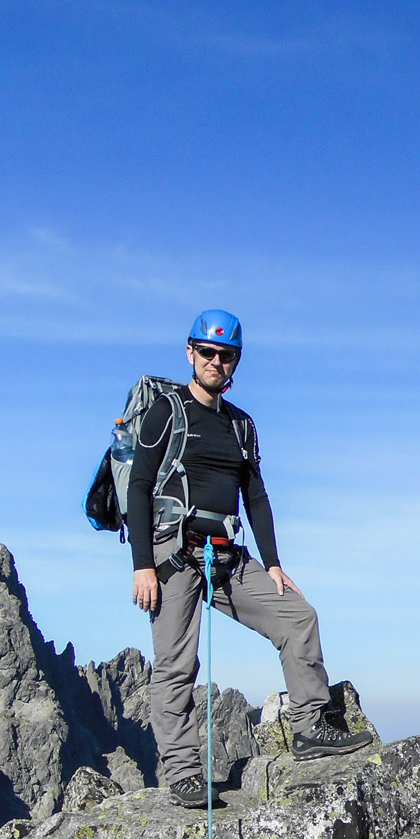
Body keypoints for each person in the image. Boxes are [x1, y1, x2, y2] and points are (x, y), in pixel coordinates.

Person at [128, 309, 372, 808]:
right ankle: (183, 775)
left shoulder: (241, 426)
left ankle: (308, 727)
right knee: (176, 665)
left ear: (235, 361)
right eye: (208, 353)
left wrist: (274, 562)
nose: (216, 362)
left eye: (226, 355)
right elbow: (137, 485)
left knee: (297, 616)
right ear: (191, 354)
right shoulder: (167, 412)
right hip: (172, 554)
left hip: (226, 556)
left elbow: (255, 496)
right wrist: (141, 565)